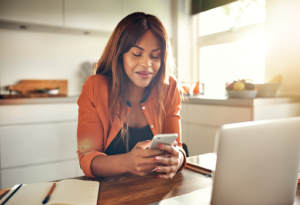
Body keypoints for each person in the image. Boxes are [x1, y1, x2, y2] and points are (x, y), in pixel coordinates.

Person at [77, 12, 186, 179]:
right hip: (109, 193)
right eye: (136, 54)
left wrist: (179, 159)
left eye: (155, 56)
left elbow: (177, 148)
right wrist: (126, 162)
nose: (147, 64)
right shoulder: (94, 87)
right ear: (120, 55)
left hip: (154, 189)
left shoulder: (169, 87)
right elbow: (87, 157)